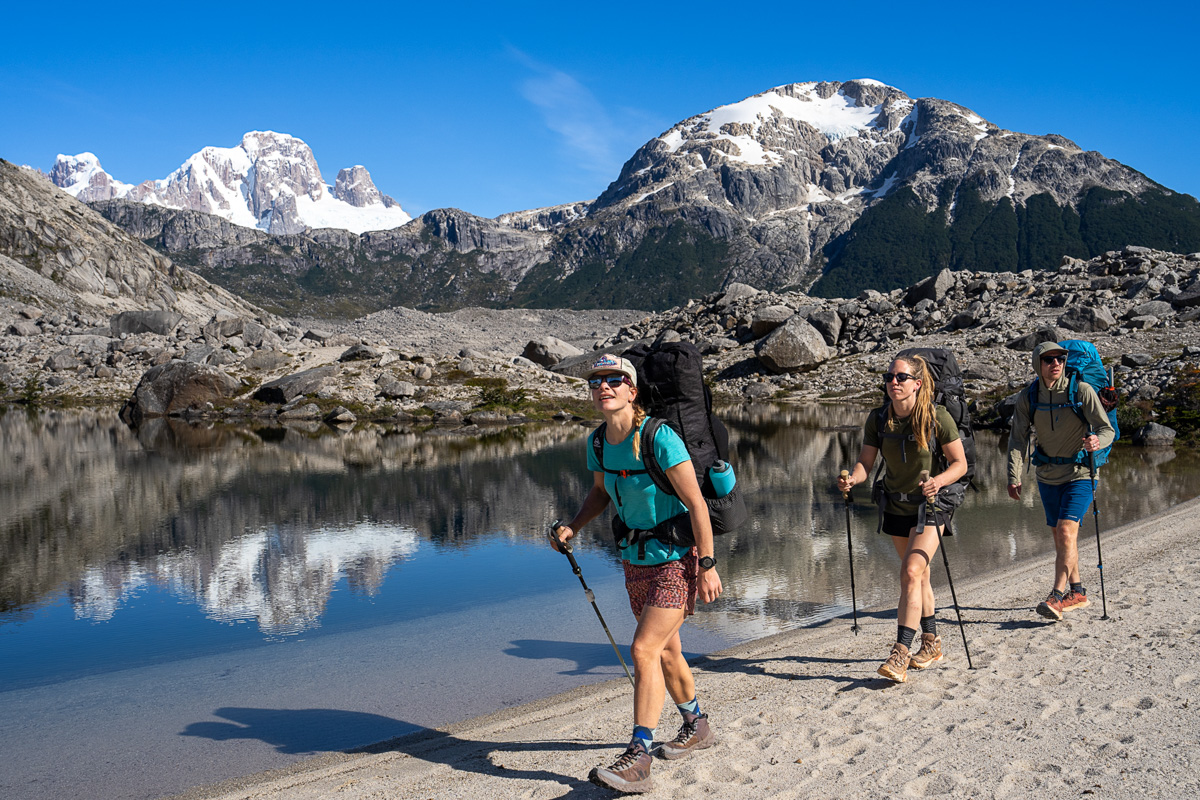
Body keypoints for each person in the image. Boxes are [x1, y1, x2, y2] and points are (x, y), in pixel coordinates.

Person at [551, 353, 722, 793]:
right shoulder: (597, 443)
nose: (603, 387)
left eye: (614, 380)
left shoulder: (659, 437)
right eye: (596, 382)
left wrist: (706, 565)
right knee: (665, 652)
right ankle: (697, 725)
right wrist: (573, 526)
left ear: (632, 390)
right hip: (635, 560)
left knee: (643, 649)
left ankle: (639, 757)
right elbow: (599, 493)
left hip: (678, 559)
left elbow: (697, 504)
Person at [837, 353, 968, 683]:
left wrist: (938, 481)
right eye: (889, 377)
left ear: (917, 383)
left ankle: (900, 653)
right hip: (896, 504)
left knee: (910, 571)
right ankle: (931, 642)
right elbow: (866, 464)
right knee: (918, 576)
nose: (893, 382)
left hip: (931, 505)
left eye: (901, 377)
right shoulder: (879, 418)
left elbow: (960, 464)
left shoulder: (937, 417)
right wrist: (853, 479)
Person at [1006, 341, 1115, 621]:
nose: (1056, 363)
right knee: (1061, 536)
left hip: (1081, 472)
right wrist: (1013, 476)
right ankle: (1077, 592)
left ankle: (1055, 596)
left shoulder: (1082, 391)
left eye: (1060, 359)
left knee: (1066, 532)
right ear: (1037, 364)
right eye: (1048, 359)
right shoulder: (1029, 397)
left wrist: (1097, 441)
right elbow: (1017, 439)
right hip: (1046, 475)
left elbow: (1106, 429)